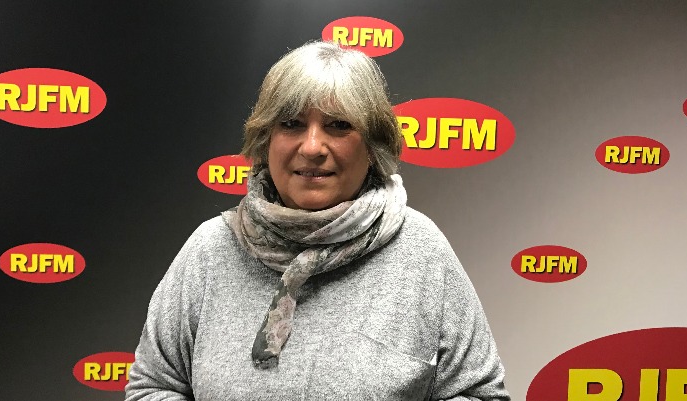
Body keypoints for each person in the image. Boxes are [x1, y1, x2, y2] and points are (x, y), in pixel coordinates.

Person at [125, 40, 512, 401]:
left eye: (339, 125)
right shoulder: (211, 251)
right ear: (266, 140)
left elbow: (478, 393)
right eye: (291, 123)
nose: (312, 147)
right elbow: (154, 385)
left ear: (372, 145)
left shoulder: (421, 252)